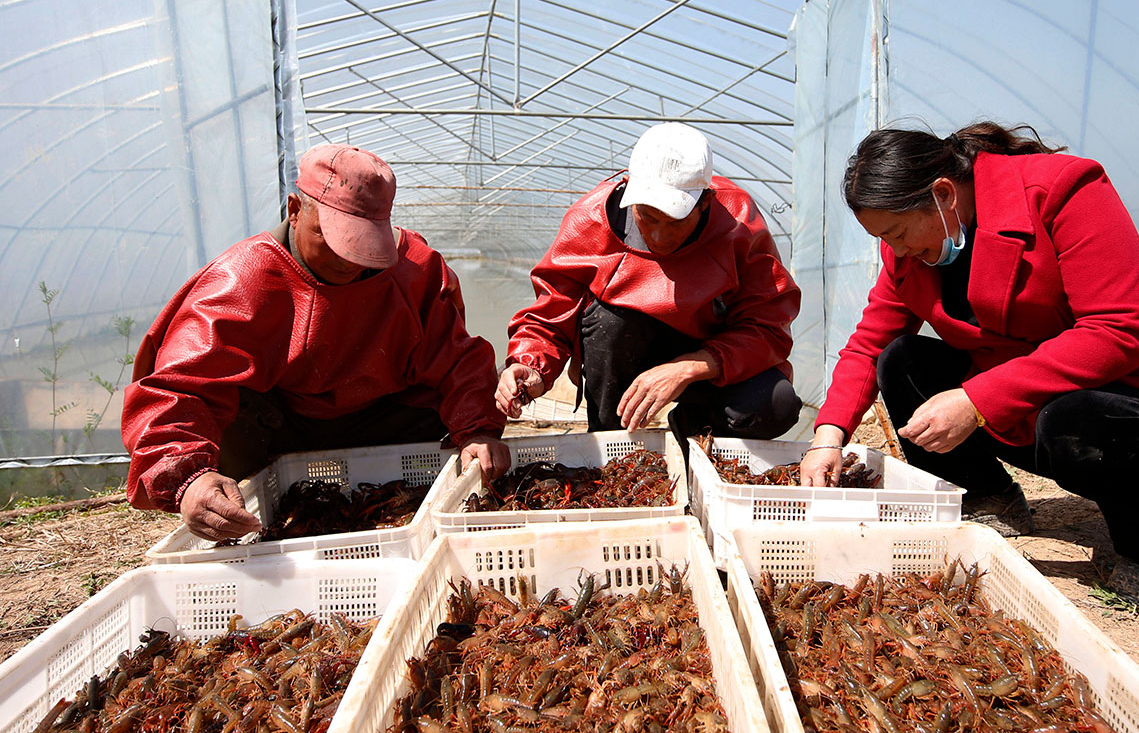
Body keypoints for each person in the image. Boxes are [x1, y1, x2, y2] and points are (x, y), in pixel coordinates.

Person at [798, 122, 1139, 609]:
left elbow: (1119, 330)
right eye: (885, 238)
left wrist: (976, 399)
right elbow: (867, 345)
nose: (897, 249)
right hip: (1033, 406)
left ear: (944, 193)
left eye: (899, 232)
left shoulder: (1062, 190)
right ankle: (988, 495)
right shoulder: (912, 253)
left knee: (1076, 420)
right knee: (901, 361)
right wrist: (828, 437)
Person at [122, 144, 510, 541]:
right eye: (331, 237)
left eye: (365, 245)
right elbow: (181, 386)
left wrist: (477, 430)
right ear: (294, 210)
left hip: (384, 421)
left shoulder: (414, 273)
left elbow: (457, 359)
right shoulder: (243, 280)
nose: (349, 261)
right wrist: (189, 477)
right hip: (279, 428)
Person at [497, 122, 802, 439]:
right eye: (647, 216)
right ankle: (608, 433)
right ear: (629, 190)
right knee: (609, 320)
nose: (659, 235)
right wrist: (531, 364)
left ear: (706, 202)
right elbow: (553, 311)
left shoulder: (738, 224)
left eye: (675, 221)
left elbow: (768, 326)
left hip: (709, 359)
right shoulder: (590, 219)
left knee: (774, 404)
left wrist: (688, 367)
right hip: (625, 354)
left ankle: (694, 431)